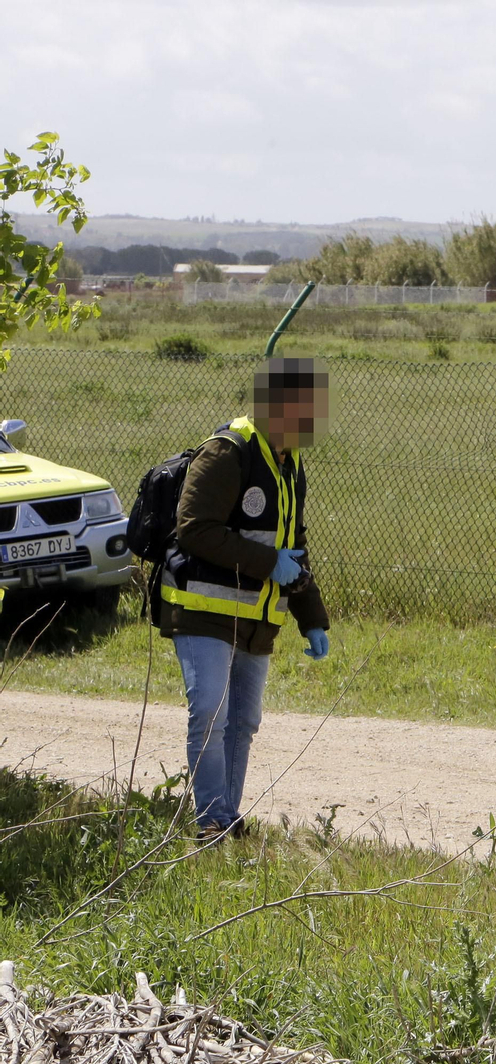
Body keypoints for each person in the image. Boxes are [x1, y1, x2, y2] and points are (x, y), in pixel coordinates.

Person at [156, 357, 332, 843]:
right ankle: (210, 819)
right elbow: (193, 529)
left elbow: (295, 546)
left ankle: (227, 817)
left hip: (256, 618)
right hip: (203, 610)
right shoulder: (227, 450)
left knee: (243, 722)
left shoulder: (290, 463)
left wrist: (311, 618)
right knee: (209, 713)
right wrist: (267, 562)